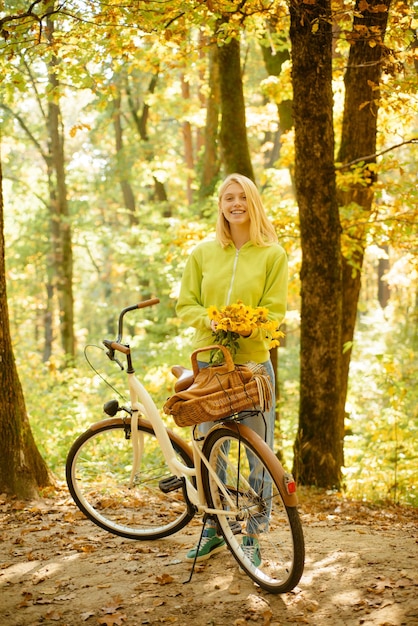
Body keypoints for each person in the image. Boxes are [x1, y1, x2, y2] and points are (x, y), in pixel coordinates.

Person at [176, 173, 288, 564]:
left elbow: (276, 313)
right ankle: (214, 528)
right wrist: (211, 320)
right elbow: (185, 304)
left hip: (253, 365)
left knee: (259, 452)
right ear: (220, 206)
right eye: (228, 197)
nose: (235, 203)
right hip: (209, 364)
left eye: (242, 197)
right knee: (210, 451)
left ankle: (253, 535)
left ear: (252, 203)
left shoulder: (272, 254)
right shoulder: (203, 253)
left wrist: (249, 324)